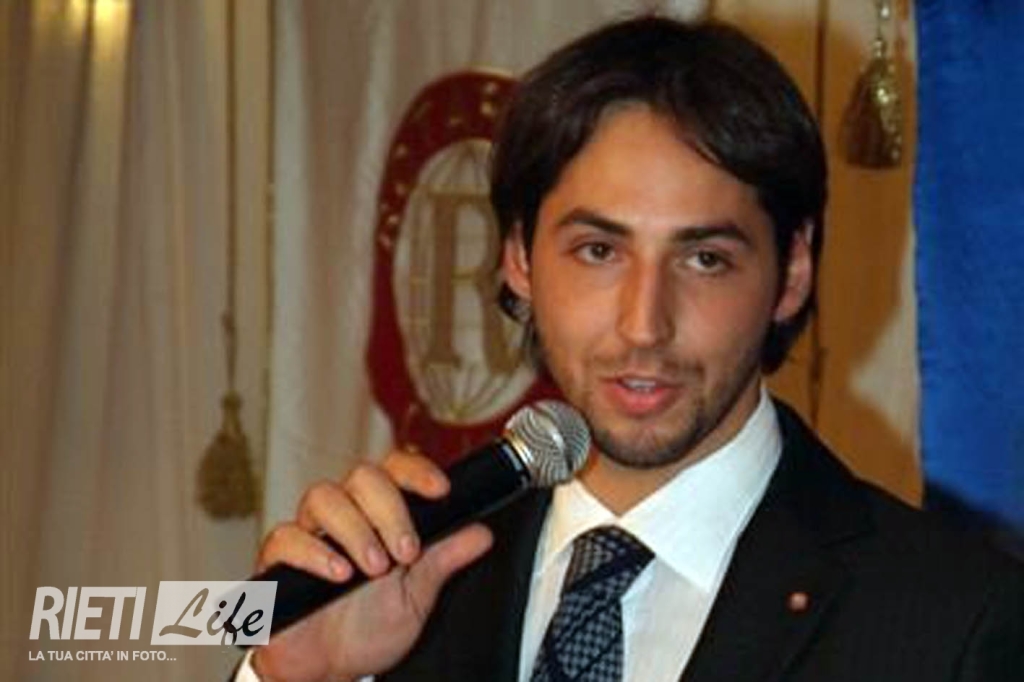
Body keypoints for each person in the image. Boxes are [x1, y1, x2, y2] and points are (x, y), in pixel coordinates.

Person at [240, 15, 1024, 682]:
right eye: (598, 252)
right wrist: (288, 676)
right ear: (519, 258)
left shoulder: (957, 617)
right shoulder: (411, 574)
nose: (644, 325)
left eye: (704, 259)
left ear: (790, 274)